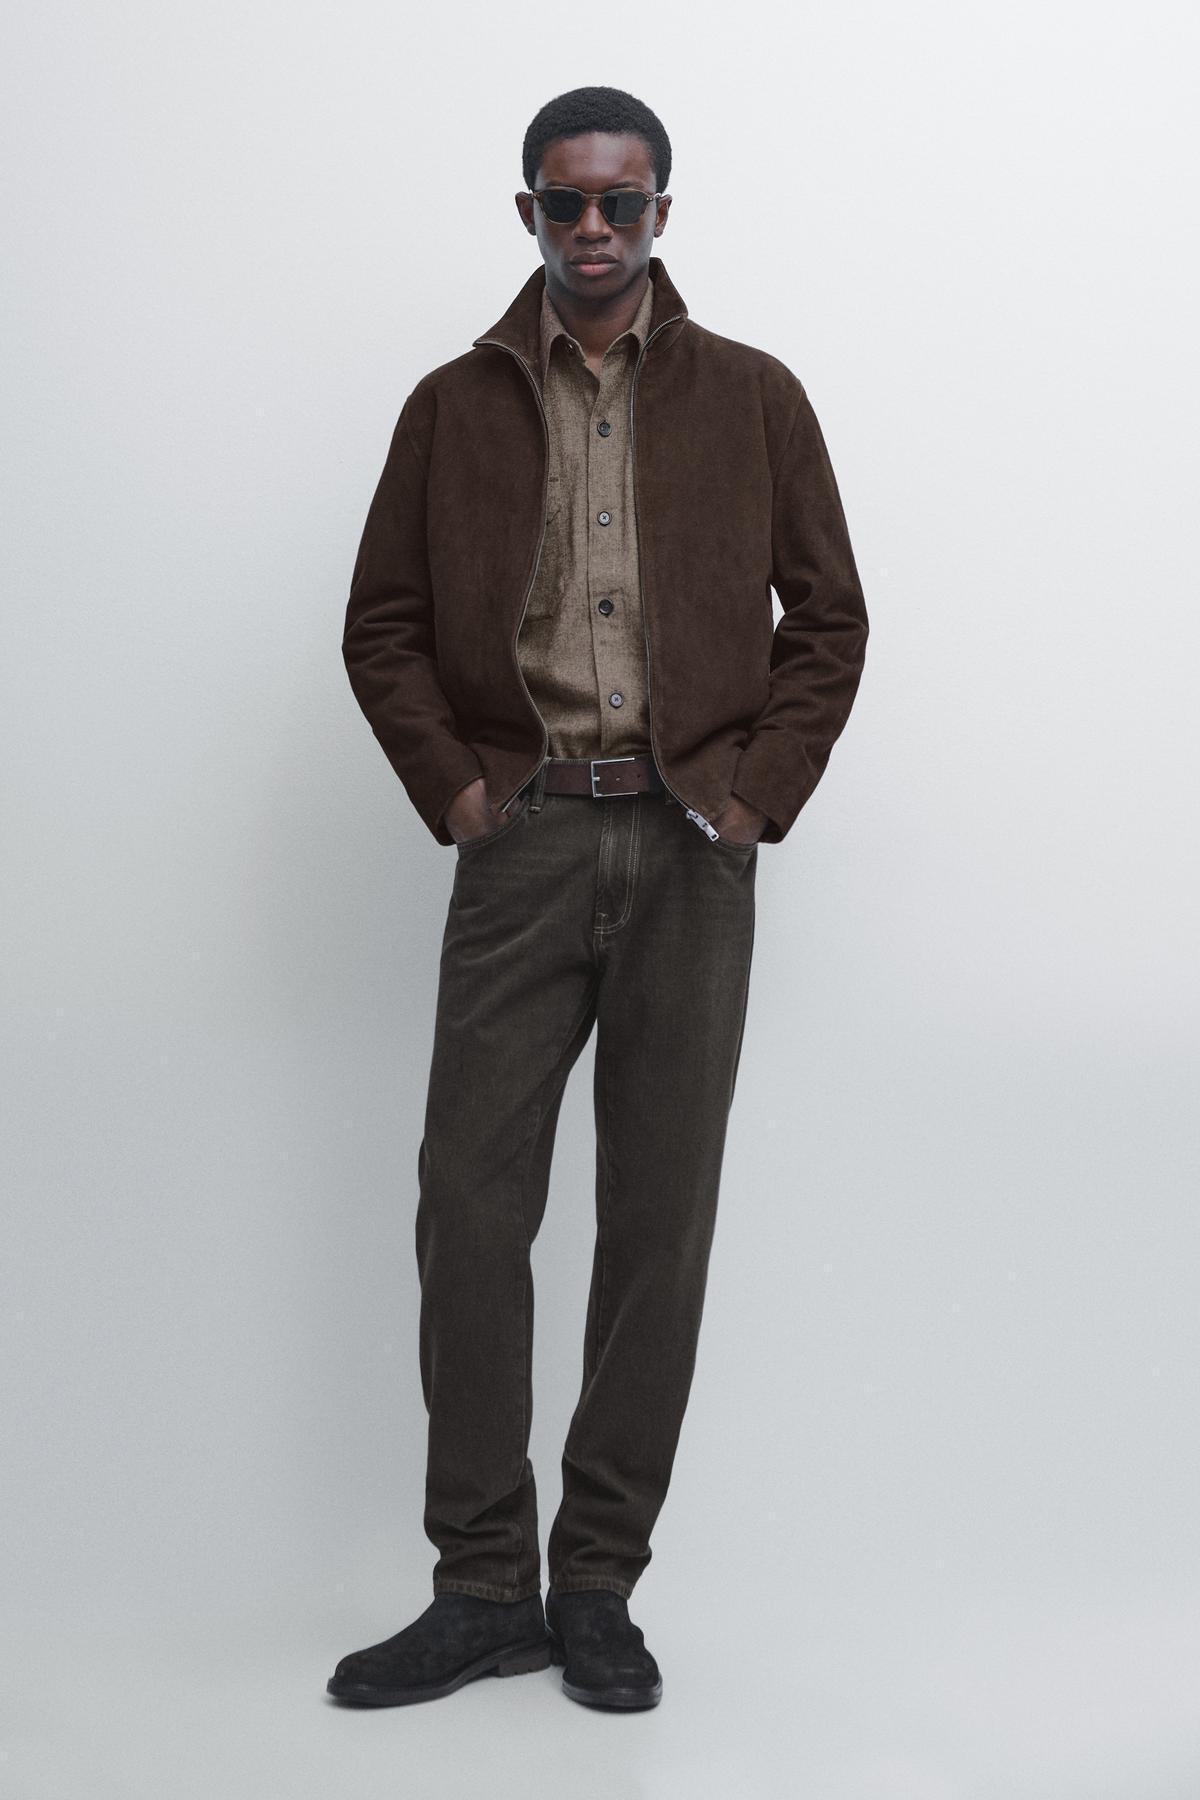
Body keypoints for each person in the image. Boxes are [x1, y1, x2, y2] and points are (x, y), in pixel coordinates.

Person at [327, 84, 869, 1713]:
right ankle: (483, 1585)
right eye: (562, 201)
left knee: (658, 1223)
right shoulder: (451, 407)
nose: (590, 228)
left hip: (694, 851)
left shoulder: (755, 397)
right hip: (528, 843)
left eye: (618, 203)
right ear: (527, 214)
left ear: (659, 215)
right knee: (470, 1207)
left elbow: (828, 619)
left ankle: (601, 1585)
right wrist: (463, 792)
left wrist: (753, 796)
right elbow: (383, 625)